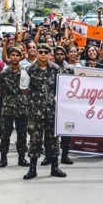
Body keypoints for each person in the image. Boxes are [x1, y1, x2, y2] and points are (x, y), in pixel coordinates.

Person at [20, 44, 66, 180]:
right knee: (35, 141)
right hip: (35, 112)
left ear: (49, 54)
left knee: (53, 140)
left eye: (46, 52)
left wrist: (57, 97)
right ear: (36, 53)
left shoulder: (56, 69)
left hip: (51, 111)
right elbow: (23, 88)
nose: (43, 54)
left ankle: (54, 167)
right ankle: (32, 169)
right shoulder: (29, 69)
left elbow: (61, 87)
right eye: (41, 52)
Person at [0, 46, 29, 168]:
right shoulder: (4, 73)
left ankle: (22, 158)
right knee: (5, 134)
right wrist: (8, 99)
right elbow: (0, 89)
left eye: (17, 55)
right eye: (13, 55)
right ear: (9, 57)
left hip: (22, 106)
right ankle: (3, 158)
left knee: (22, 134)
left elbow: (28, 89)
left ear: (21, 57)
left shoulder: (25, 72)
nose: (15, 57)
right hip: (8, 107)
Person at [53, 46, 75, 165]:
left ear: (65, 55)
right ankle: (50, 156)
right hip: (52, 102)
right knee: (52, 132)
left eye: (62, 54)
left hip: (66, 104)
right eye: (57, 54)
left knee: (67, 130)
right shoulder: (50, 68)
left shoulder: (69, 69)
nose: (59, 56)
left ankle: (65, 155)